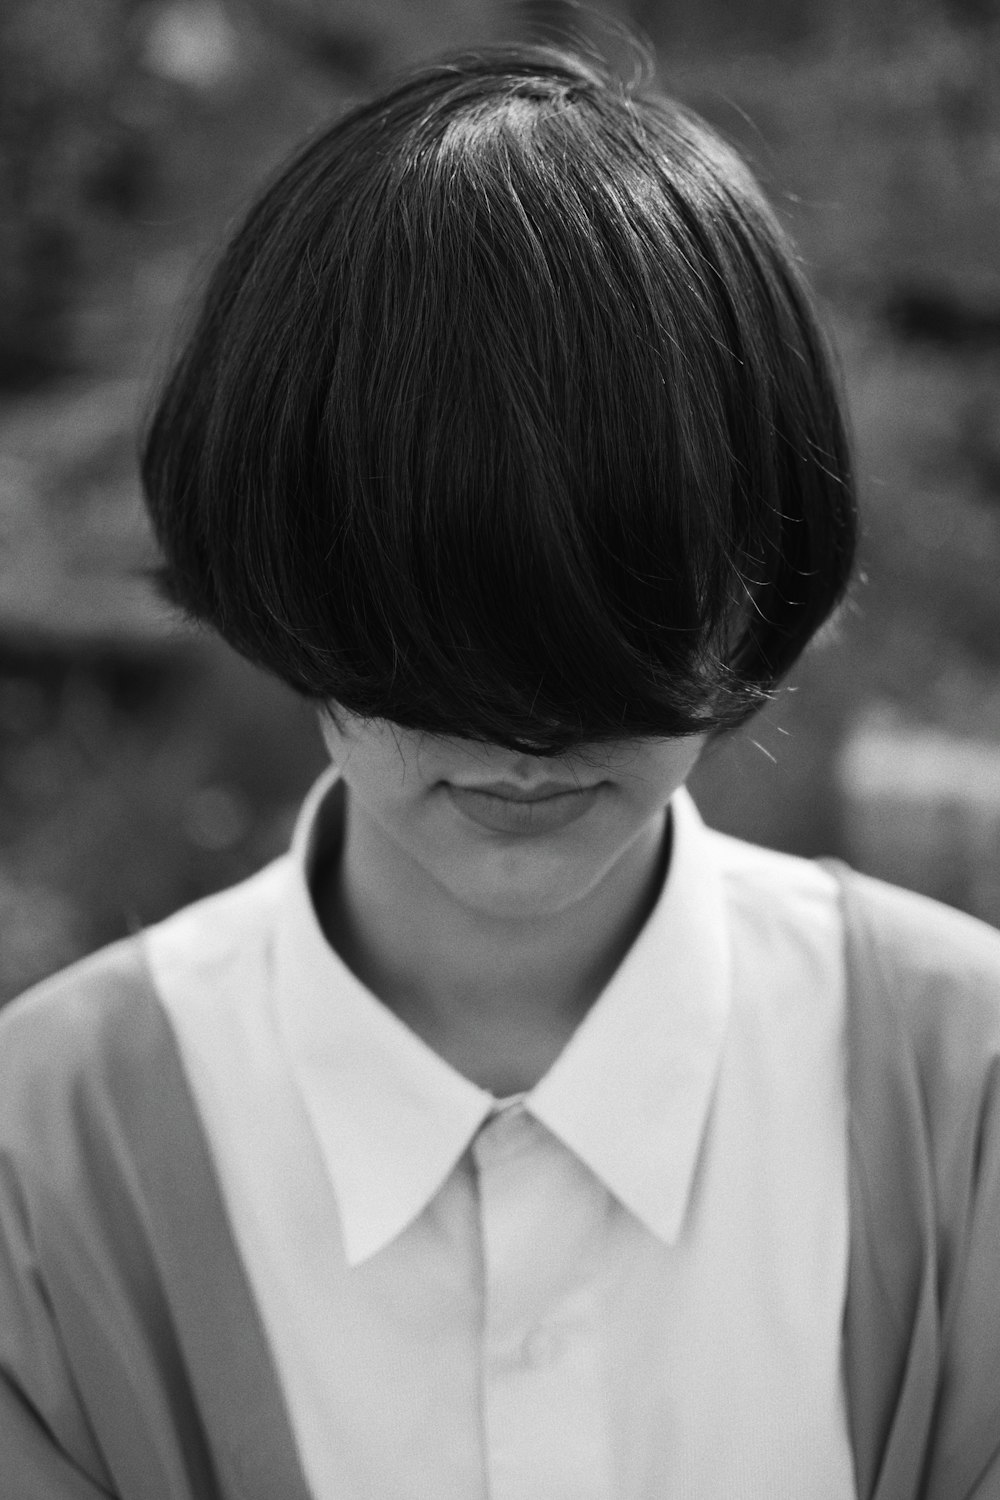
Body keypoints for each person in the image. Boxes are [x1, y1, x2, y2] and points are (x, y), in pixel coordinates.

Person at [1, 35, 998, 1500]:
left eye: (617, 616)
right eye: (428, 628)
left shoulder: (965, 1094)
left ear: (764, 567)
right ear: (278, 569)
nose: (524, 723)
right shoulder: (42, 1165)